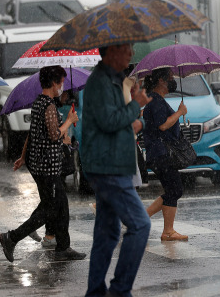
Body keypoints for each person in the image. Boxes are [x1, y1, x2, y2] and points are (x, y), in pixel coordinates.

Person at [81, 44, 152, 297]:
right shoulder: (100, 82)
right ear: (111, 52)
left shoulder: (113, 80)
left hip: (112, 163)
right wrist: (135, 104)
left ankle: (96, 292)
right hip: (107, 166)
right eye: (127, 49)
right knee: (140, 225)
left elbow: (122, 123)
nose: (131, 54)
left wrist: (137, 116)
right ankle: (120, 290)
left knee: (107, 233)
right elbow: (110, 121)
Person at [0, 66, 84, 263]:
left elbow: (34, 134)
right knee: (50, 209)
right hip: (47, 167)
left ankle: (63, 247)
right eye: (61, 83)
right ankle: (11, 237)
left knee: (60, 205)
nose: (62, 87)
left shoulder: (40, 103)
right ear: (54, 83)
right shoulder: (48, 106)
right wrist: (69, 120)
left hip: (43, 165)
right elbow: (54, 135)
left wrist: (22, 157)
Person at [143, 68, 189, 241]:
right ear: (161, 81)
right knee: (174, 189)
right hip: (161, 153)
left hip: (160, 153)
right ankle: (167, 231)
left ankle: (145, 221)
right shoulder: (156, 102)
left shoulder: (157, 100)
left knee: (173, 189)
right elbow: (162, 125)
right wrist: (179, 113)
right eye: (170, 77)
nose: (172, 80)